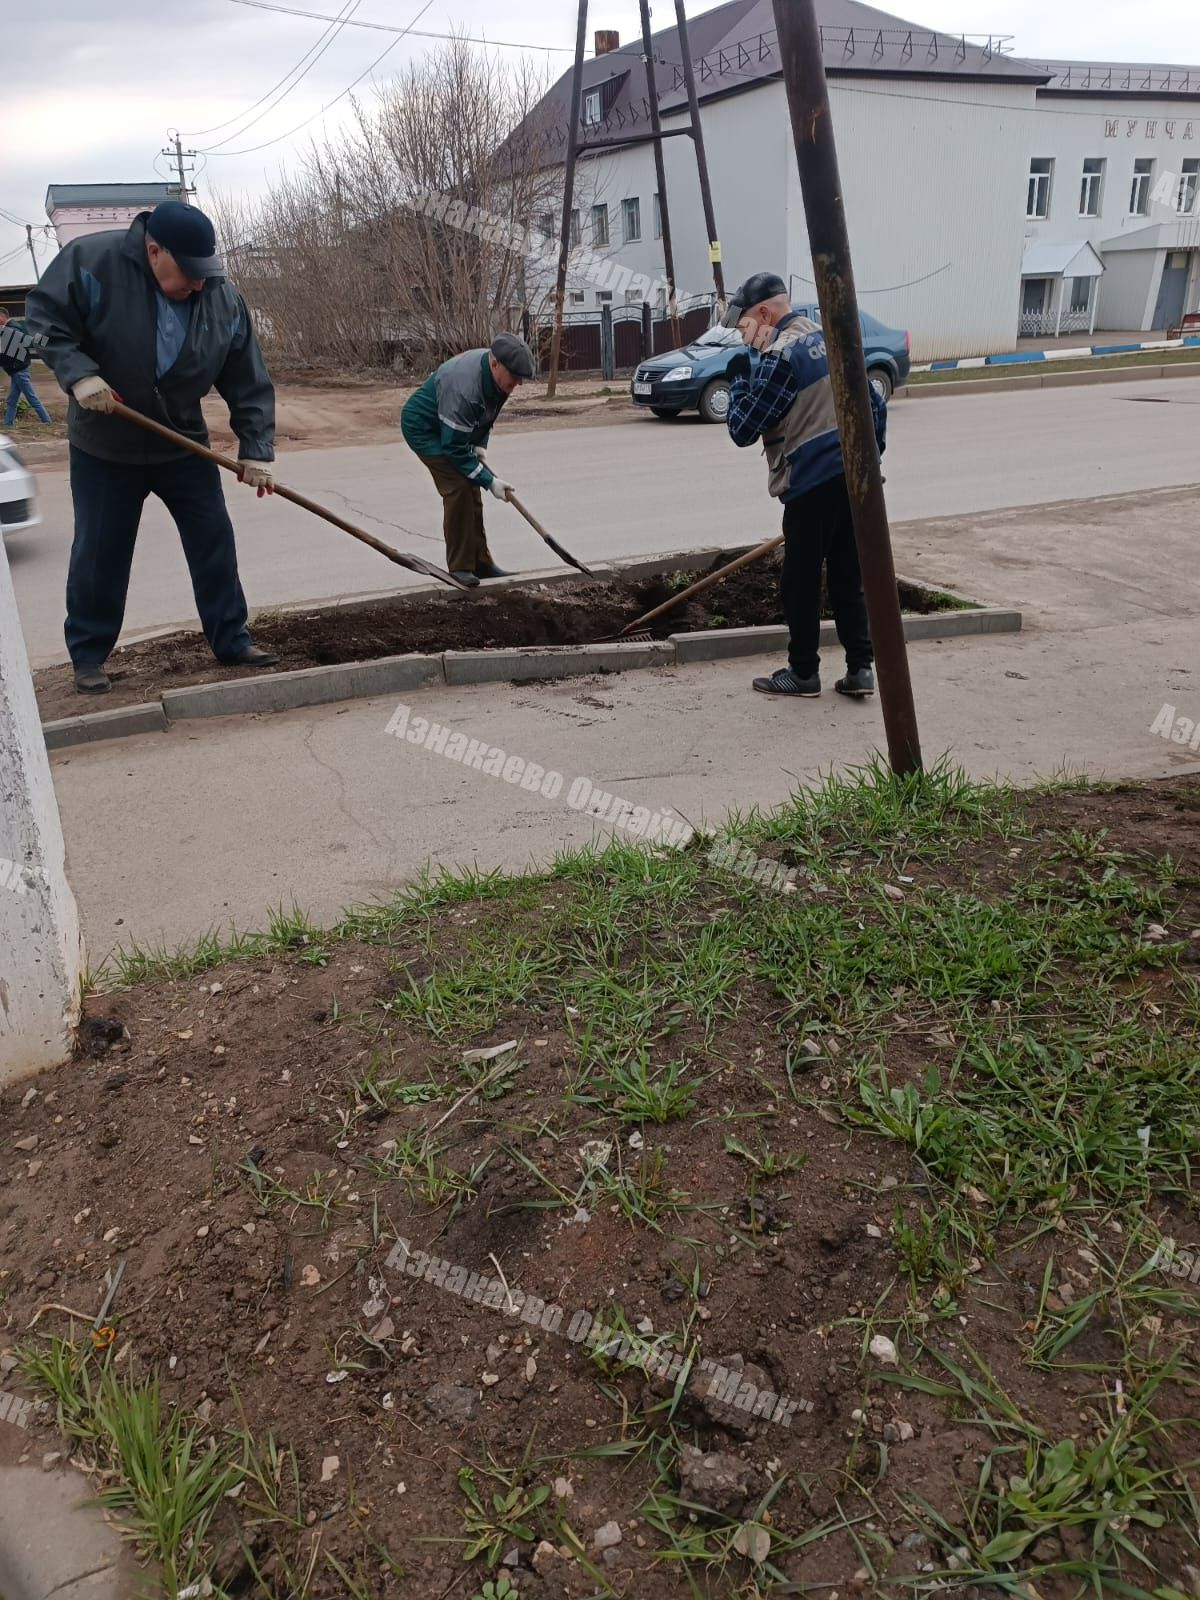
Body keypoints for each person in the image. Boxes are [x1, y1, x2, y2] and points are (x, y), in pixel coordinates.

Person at [26, 201, 279, 695]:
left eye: (207, 274)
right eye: (190, 273)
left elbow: (246, 374)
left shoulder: (221, 296)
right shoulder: (91, 262)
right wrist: (78, 375)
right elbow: (45, 320)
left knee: (213, 542)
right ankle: (89, 655)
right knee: (101, 552)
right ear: (154, 250)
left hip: (183, 443)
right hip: (106, 445)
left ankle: (231, 640)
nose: (199, 284)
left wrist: (256, 447)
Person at [723, 271, 886, 699]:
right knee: (849, 576)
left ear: (762, 314)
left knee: (800, 580)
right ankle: (861, 669)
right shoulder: (829, 339)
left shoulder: (781, 355)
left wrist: (739, 380)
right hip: (855, 481)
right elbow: (876, 405)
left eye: (744, 329)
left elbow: (743, 428)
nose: (745, 340)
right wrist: (872, 460)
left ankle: (802, 672)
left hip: (811, 482)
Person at [401, 332, 535, 587]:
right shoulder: (465, 387)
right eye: (515, 376)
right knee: (459, 487)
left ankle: (481, 563)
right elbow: (453, 448)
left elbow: (489, 412)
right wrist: (490, 481)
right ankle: (461, 567)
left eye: (521, 377)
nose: (518, 383)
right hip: (424, 428)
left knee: (472, 485)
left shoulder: (500, 379)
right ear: (495, 363)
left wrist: (479, 445)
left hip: (451, 426)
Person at [0, 308, 53, 426]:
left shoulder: (11, 331)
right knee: (11, 400)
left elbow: (7, 354)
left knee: (31, 398)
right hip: (17, 370)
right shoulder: (15, 328)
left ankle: (47, 421)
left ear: (2, 317)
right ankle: (8, 424)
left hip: (18, 370)